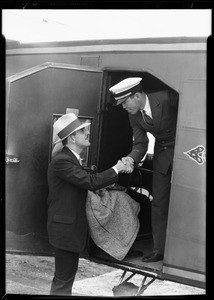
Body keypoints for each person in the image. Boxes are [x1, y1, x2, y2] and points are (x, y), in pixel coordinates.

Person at [47, 112, 127, 295]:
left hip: (68, 229)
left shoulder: (70, 159)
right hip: (64, 230)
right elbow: (90, 181)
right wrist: (118, 168)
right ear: (72, 137)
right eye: (83, 131)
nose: (87, 134)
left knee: (64, 278)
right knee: (63, 280)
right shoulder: (62, 161)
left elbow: (84, 183)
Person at [109, 77, 179, 262]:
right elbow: (140, 143)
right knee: (159, 202)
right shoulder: (133, 115)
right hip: (163, 156)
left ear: (138, 95)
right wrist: (130, 159)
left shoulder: (167, 98)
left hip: (186, 152)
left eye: (125, 102)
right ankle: (160, 250)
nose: (124, 107)